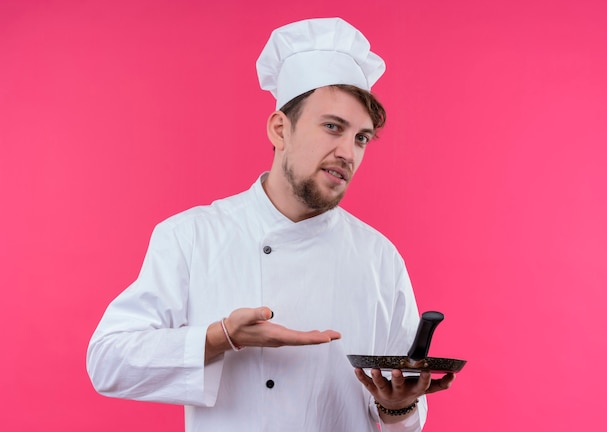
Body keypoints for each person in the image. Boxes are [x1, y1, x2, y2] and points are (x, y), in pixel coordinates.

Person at [87, 17, 455, 432]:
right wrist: (220, 338)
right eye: (332, 126)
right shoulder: (192, 236)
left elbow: (400, 414)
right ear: (280, 128)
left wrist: (398, 406)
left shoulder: (379, 258)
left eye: (361, 138)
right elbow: (107, 362)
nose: (347, 153)